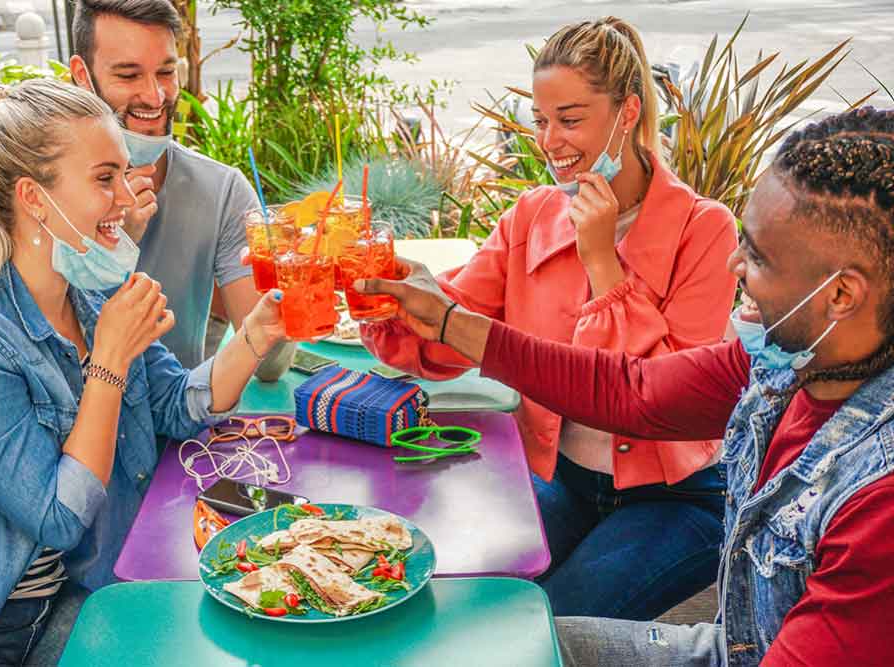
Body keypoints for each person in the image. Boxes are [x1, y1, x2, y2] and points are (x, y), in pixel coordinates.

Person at [356, 106, 894, 666]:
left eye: (757, 257)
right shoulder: (786, 365)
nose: (735, 263)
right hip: (733, 648)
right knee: (501, 645)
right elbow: (634, 391)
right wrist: (448, 322)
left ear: (841, 295)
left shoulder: (880, 501)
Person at [0, 80, 286, 667]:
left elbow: (177, 405)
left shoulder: (96, 294)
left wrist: (257, 331)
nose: (128, 198)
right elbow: (58, 517)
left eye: (125, 175)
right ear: (33, 197)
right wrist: (109, 360)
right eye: (105, 179)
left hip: (89, 590)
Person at [361, 17, 738, 618]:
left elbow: (672, 401)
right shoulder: (531, 215)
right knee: (454, 594)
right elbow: (453, 330)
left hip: (674, 498)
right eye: (541, 121)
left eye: (570, 119)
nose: (549, 141)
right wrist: (385, 298)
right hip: (558, 478)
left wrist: (601, 261)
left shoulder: (706, 228)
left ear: (628, 113)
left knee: (547, 625)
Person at [68, 0, 293, 376]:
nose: (155, 97)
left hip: (181, 429)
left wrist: (288, 283)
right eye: (128, 75)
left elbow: (268, 367)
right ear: (82, 75)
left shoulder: (221, 191)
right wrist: (109, 251)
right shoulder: (40, 193)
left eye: (166, 72)